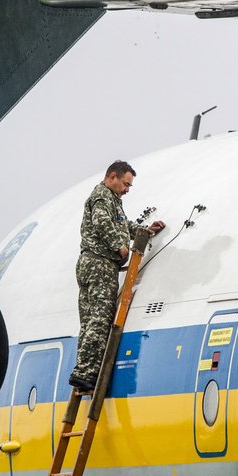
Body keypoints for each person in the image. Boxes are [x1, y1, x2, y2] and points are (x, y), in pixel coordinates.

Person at [69, 160, 165, 392]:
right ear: (112, 176)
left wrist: (144, 231)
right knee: (100, 318)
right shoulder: (102, 197)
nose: (127, 189)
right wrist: (119, 247)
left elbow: (121, 224)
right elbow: (102, 223)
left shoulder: (111, 200)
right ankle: (86, 374)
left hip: (91, 263)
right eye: (125, 184)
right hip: (100, 263)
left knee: (89, 320)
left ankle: (84, 370)